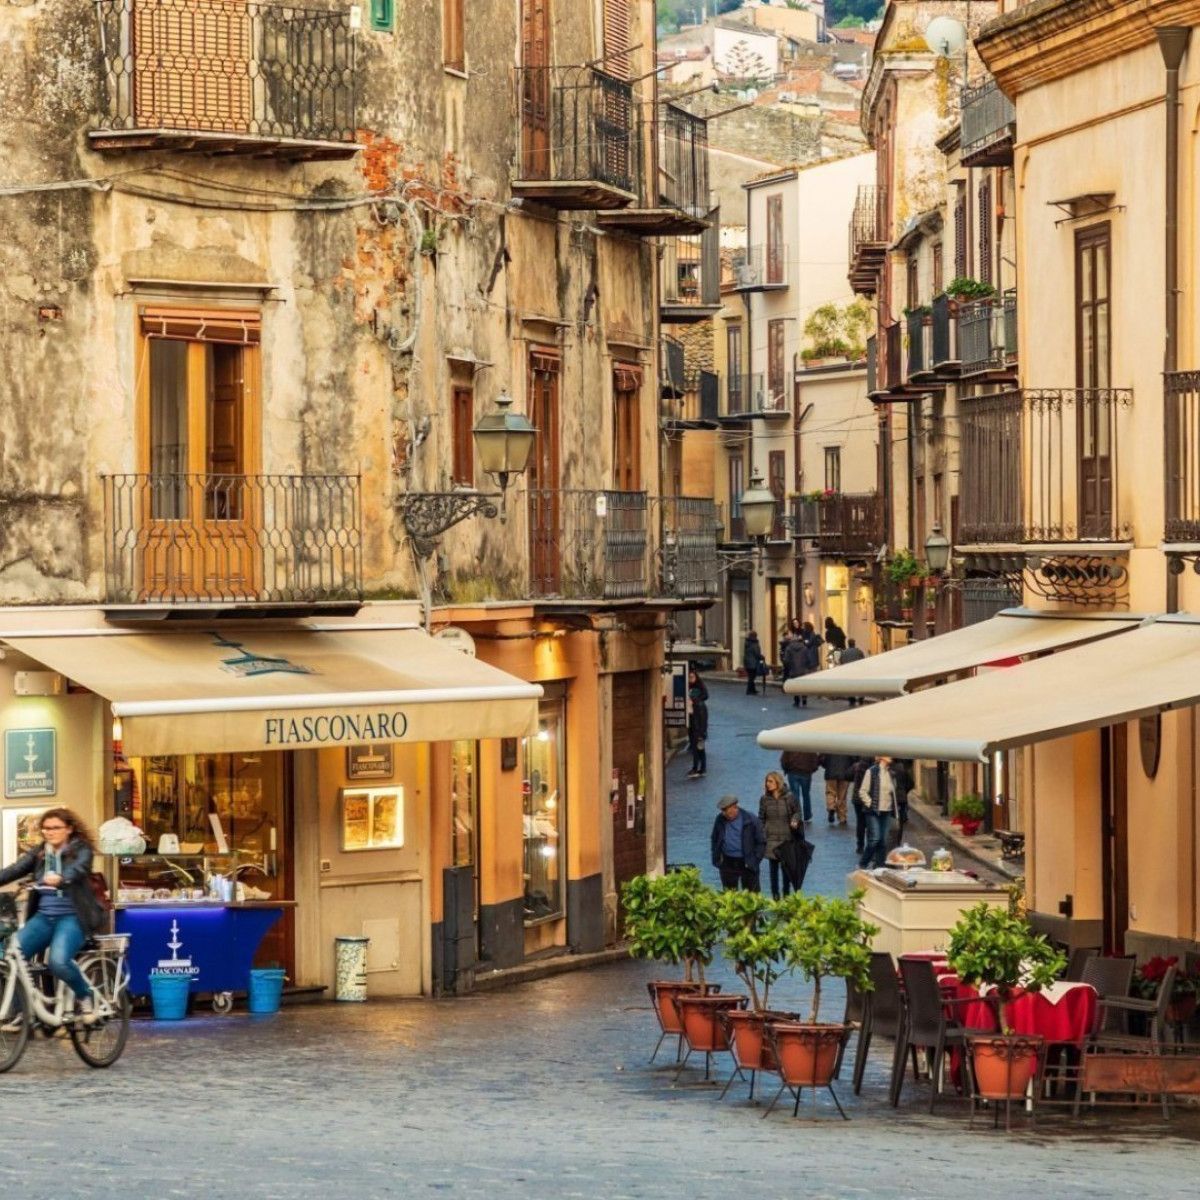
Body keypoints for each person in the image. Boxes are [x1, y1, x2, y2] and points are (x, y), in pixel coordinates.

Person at [0, 807, 105, 1023]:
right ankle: (21, 1012)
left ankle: (86, 997)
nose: (50, 832)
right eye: (46, 828)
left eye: (55, 828)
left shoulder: (81, 849)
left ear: (69, 829)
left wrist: (61, 877)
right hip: (44, 918)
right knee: (11, 957)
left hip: (73, 918)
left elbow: (79, 868)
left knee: (58, 962)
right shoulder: (40, 852)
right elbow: (15, 869)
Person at [856, 756, 910, 869]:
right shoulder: (871, 771)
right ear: (881, 757)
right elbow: (862, 791)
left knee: (883, 841)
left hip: (887, 811)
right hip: (873, 811)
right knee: (874, 839)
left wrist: (895, 809)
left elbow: (893, 792)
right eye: (887, 755)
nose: (891, 757)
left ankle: (880, 866)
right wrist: (870, 804)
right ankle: (863, 863)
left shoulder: (891, 773)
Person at [710, 795, 766, 892]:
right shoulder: (720, 819)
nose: (724, 814)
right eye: (723, 811)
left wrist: (754, 860)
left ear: (735, 807)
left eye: (726, 811)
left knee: (752, 894)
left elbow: (761, 842)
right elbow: (715, 838)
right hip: (727, 862)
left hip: (747, 861)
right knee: (729, 894)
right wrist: (717, 857)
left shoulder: (751, 819)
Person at [758, 772, 800, 899]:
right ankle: (775, 897)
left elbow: (797, 812)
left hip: (786, 838)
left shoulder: (789, 797)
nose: (767, 784)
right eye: (767, 781)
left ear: (778, 782)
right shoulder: (764, 799)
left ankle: (786, 896)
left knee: (786, 871)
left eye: (770, 781)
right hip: (771, 838)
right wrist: (761, 833)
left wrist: (795, 820)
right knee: (773, 871)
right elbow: (761, 817)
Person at [780, 748, 819, 823]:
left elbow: (783, 760)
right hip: (806, 773)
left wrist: (786, 769)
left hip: (793, 772)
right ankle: (807, 815)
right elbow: (815, 761)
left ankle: (796, 815)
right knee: (806, 795)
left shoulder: (790, 746)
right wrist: (812, 770)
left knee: (795, 795)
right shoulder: (809, 747)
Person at [819, 752, 858, 826]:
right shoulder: (849, 743)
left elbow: (822, 758)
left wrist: (827, 766)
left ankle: (831, 807)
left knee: (830, 792)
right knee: (842, 796)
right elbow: (854, 758)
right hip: (845, 773)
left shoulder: (829, 743)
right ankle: (842, 817)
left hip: (830, 772)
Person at [780, 627, 809, 708]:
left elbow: (786, 660)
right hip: (803, 670)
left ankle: (796, 701)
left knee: (795, 685)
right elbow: (808, 659)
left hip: (793, 670)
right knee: (804, 685)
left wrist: (788, 666)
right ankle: (804, 700)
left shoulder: (789, 648)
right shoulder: (804, 648)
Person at [686, 685, 708, 779]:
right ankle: (702, 768)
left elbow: (702, 721)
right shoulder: (698, 705)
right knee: (700, 750)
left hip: (697, 732)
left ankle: (697, 768)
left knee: (697, 750)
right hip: (697, 731)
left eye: (691, 697)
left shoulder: (699, 706)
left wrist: (700, 734)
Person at [839, 638, 867, 706]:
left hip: (848, 672)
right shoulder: (859, 651)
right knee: (860, 686)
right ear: (854, 643)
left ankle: (852, 699)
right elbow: (863, 660)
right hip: (858, 671)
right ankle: (861, 698)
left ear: (848, 644)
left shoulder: (844, 652)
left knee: (849, 686)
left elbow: (841, 661)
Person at [743, 631, 765, 695]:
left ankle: (753, 690)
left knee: (751, 676)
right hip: (753, 663)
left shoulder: (747, 643)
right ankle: (749, 690)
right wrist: (762, 657)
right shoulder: (754, 644)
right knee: (752, 677)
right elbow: (757, 654)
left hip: (747, 662)